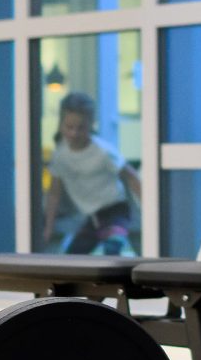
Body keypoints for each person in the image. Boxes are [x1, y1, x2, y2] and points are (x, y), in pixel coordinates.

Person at [35, 92, 141, 255]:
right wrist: (48, 228)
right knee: (72, 257)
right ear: (61, 125)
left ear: (90, 125)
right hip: (91, 217)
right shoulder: (60, 155)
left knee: (112, 248)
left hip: (115, 210)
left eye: (81, 128)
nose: (74, 133)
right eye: (69, 127)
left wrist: (150, 210)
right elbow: (54, 193)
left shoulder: (102, 151)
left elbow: (132, 177)